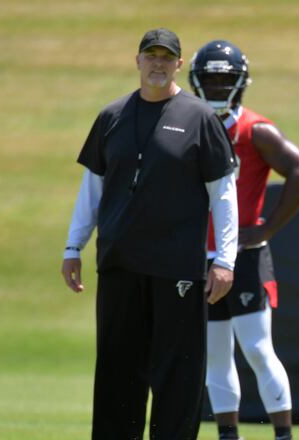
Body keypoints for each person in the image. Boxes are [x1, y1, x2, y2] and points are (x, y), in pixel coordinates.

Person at [60, 28, 239, 440]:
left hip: (177, 268)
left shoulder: (200, 118)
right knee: (116, 374)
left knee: (178, 376)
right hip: (120, 264)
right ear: (137, 61)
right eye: (150, 55)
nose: (157, 63)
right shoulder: (112, 116)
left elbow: (224, 196)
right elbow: (92, 189)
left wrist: (225, 259)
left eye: (166, 57)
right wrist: (74, 246)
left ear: (179, 64)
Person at [189, 40, 299, 440]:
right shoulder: (187, 126)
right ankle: (228, 434)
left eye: (224, 79)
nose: (216, 87)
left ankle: (283, 434)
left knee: (258, 348)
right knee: (216, 351)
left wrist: (267, 228)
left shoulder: (254, 130)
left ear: (240, 82)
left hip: (244, 255)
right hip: (201, 255)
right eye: (209, 79)